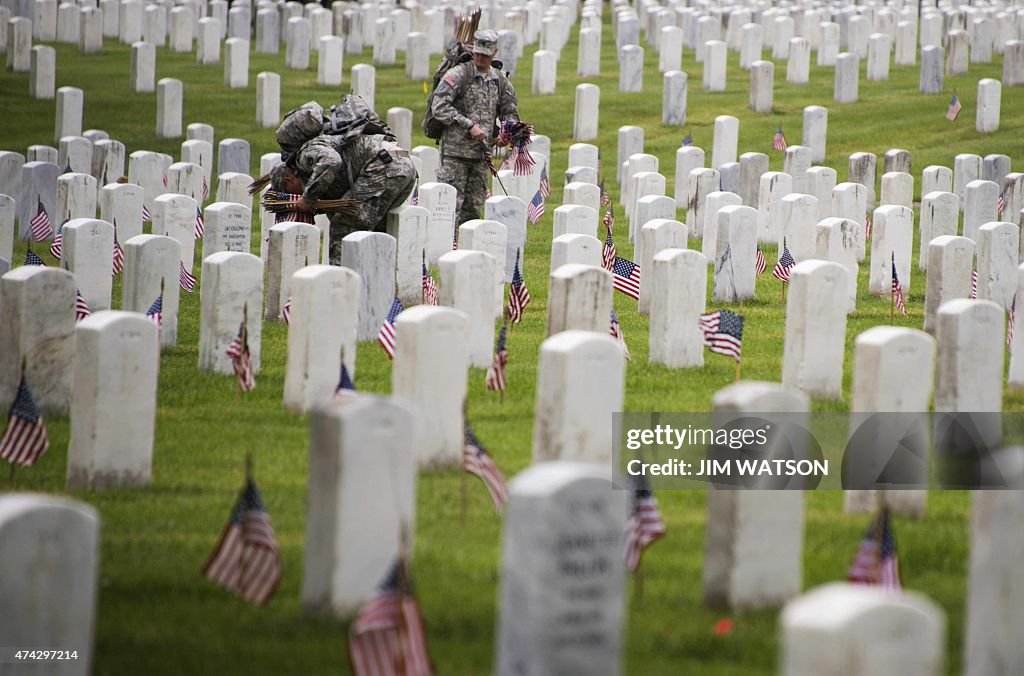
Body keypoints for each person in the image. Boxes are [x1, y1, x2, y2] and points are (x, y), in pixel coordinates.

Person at [283, 132, 417, 264]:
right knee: (379, 229)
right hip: (402, 163)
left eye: (288, 191)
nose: (296, 196)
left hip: (384, 166)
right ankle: (378, 280)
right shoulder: (314, 172)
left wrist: (307, 198)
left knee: (344, 226)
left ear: (288, 179)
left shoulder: (305, 156)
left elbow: (331, 161)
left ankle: (341, 280)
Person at [430, 29, 520, 225]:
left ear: (494, 53)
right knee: (448, 210)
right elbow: (439, 106)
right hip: (456, 154)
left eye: (485, 55)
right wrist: (468, 125)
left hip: (480, 156)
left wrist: (507, 132)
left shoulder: (499, 81)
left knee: (472, 211)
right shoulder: (458, 75)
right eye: (477, 54)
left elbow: (510, 111)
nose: (480, 59)